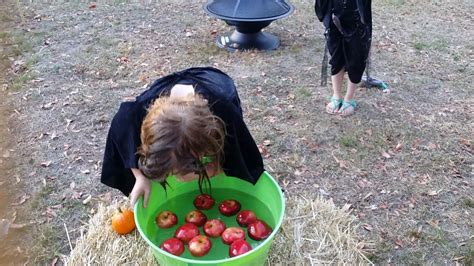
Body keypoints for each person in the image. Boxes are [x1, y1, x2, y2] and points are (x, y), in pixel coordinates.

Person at [101, 67, 264, 208]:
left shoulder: (225, 117)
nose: (178, 178)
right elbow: (121, 132)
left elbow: (239, 156)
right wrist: (139, 177)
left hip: (215, 82)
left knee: (223, 160)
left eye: (181, 171)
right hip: (164, 95)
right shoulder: (136, 113)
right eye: (173, 171)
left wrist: (211, 165)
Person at [315, 0, 372, 116]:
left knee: (356, 58)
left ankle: (349, 99)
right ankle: (336, 96)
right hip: (333, 12)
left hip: (357, 16)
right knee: (336, 57)